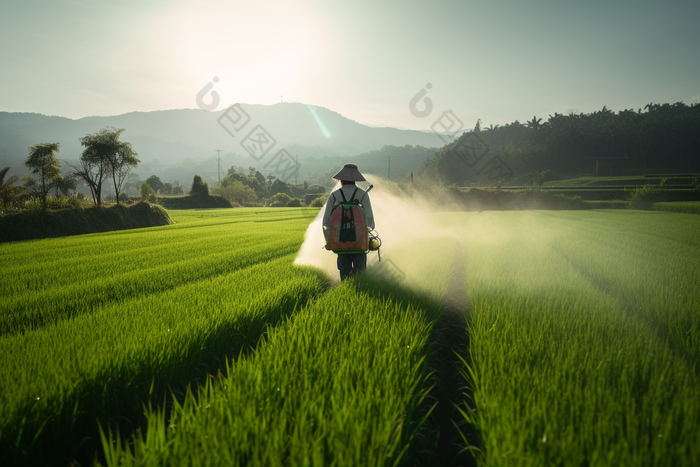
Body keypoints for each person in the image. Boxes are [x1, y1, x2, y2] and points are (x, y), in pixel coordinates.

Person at [322, 164, 375, 281]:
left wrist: (329, 240)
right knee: (360, 275)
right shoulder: (363, 194)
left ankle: (346, 289)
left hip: (340, 243)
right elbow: (370, 220)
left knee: (344, 275)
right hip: (359, 243)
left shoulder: (335, 195)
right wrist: (368, 236)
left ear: (341, 180)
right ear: (355, 179)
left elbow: (326, 221)